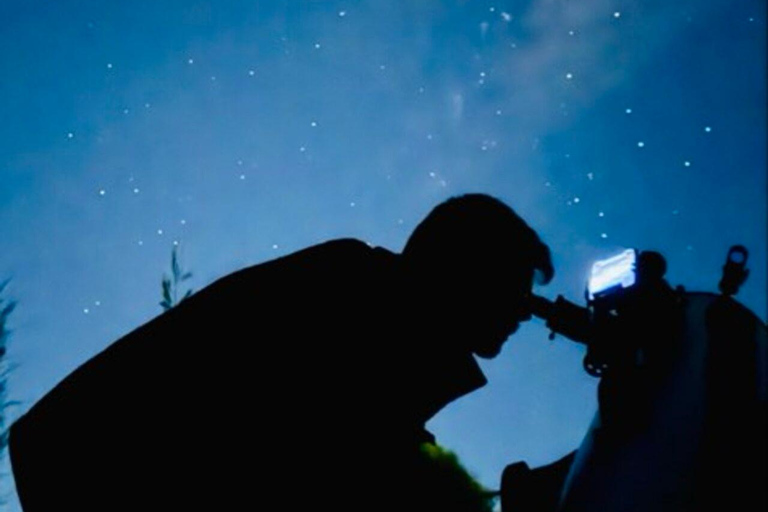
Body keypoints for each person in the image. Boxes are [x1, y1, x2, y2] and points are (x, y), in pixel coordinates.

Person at [9, 193, 553, 511]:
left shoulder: (373, 312)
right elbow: (362, 447)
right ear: (468, 270)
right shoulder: (352, 294)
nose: (525, 311)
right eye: (516, 288)